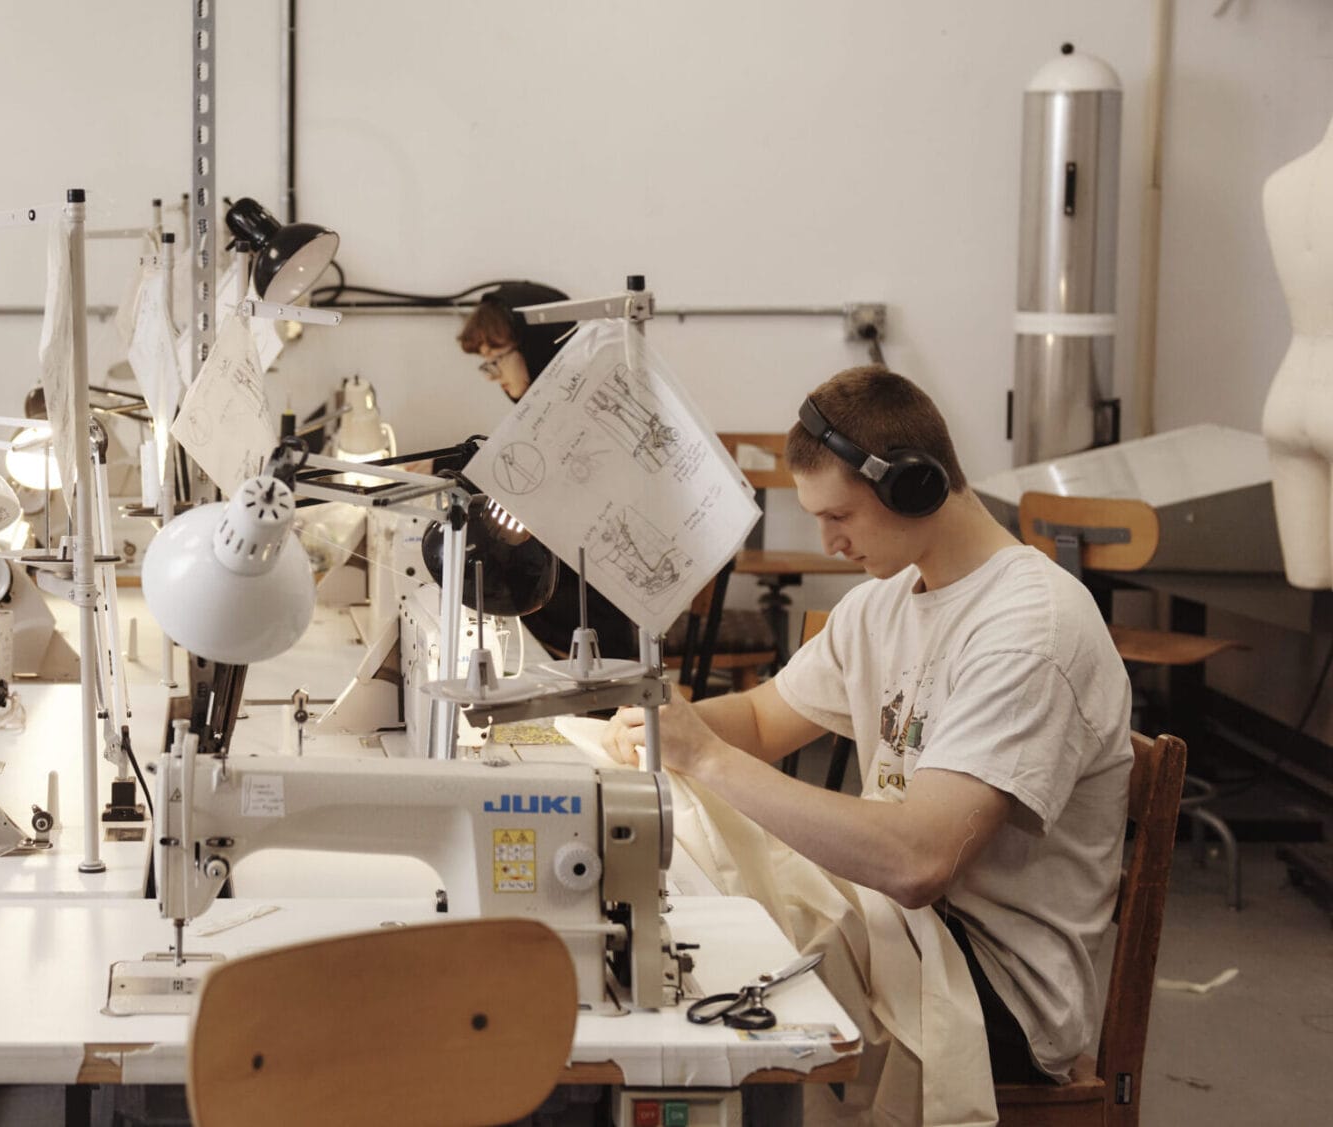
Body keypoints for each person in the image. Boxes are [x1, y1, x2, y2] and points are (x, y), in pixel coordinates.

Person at [606, 365, 1132, 1087]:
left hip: (993, 985)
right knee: (684, 918)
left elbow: (918, 862)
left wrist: (709, 760)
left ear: (915, 486)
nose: (829, 543)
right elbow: (761, 718)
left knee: (699, 982)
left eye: (840, 517)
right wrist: (660, 726)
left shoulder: (1029, 630)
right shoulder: (883, 603)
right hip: (906, 931)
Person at [456, 282, 641, 659]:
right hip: (560, 603)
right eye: (485, 363)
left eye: (497, 359)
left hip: (586, 622)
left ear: (535, 346)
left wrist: (449, 469)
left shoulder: (579, 419)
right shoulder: (547, 415)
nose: (493, 375)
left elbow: (522, 478)